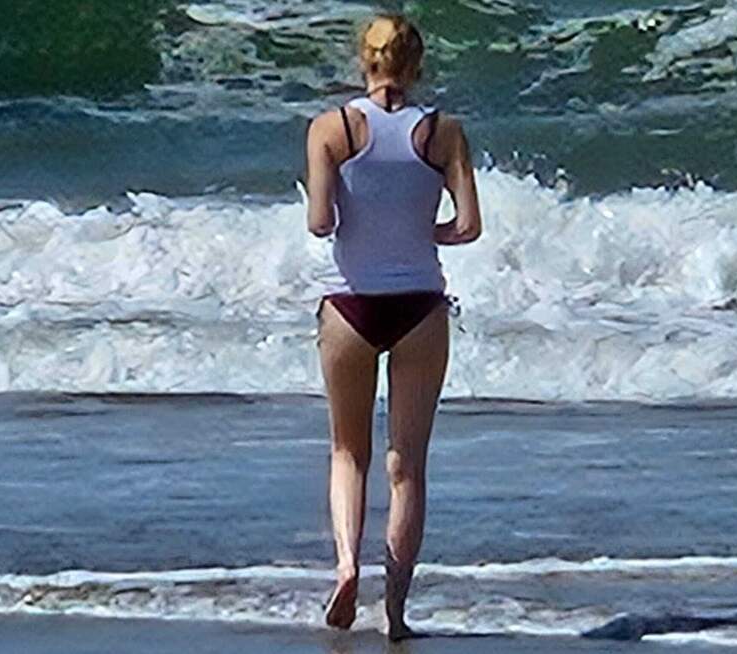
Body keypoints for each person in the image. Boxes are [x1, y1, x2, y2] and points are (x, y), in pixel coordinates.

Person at [304, 13, 482, 641]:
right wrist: (421, 233)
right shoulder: (443, 131)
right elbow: (468, 226)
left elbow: (321, 222)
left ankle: (347, 567)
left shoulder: (332, 127)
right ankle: (397, 612)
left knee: (347, 451)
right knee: (407, 464)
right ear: (417, 65)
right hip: (420, 308)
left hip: (350, 307)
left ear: (365, 60)